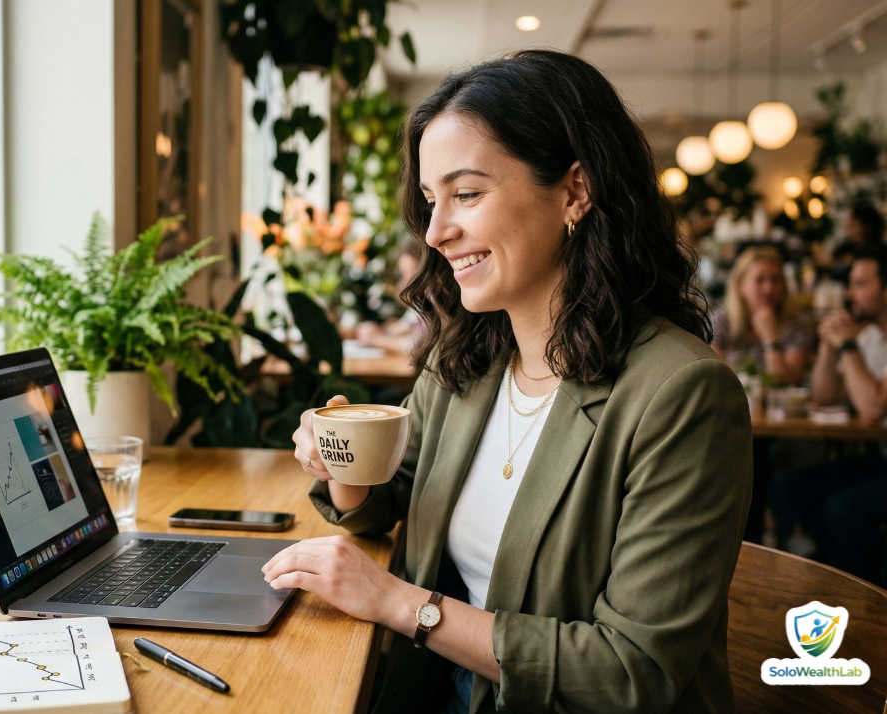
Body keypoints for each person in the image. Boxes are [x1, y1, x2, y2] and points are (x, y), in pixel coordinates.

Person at [270, 50, 751, 714]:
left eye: (466, 194)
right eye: (431, 201)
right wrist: (343, 459)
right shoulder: (468, 358)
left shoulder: (683, 394)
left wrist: (401, 604)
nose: (436, 232)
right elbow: (392, 499)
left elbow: (630, 671)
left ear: (575, 192)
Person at [769, 244, 887, 584]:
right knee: (787, 488)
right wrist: (828, 345)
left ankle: (865, 588)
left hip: (880, 458)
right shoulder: (871, 336)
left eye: (860, 284)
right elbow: (824, 397)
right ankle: (837, 574)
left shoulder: (862, 339)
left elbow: (871, 408)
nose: (849, 294)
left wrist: (847, 346)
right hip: (878, 457)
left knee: (842, 509)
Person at [711, 246, 815, 386]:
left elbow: (788, 383)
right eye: (759, 280)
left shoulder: (798, 323)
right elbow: (714, 378)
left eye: (776, 280)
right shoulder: (721, 320)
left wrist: (770, 339)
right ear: (740, 286)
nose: (769, 289)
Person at [354, 242, 423, 355]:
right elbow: (404, 326)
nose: (405, 280)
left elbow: (418, 346)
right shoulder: (421, 303)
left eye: (408, 272)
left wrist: (375, 340)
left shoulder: (434, 302)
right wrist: (382, 330)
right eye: (402, 273)